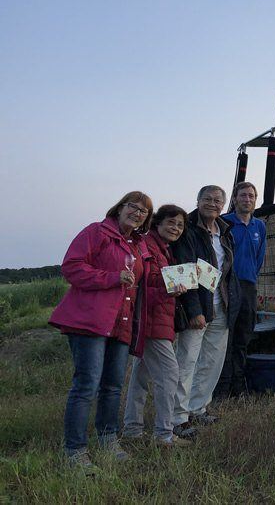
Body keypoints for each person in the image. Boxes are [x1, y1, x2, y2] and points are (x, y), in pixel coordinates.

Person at [49, 191, 153, 469]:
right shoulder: (96, 232)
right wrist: (111, 277)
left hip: (121, 324)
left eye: (144, 211)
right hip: (90, 321)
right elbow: (71, 267)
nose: (138, 213)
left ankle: (108, 441)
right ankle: (75, 451)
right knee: (87, 385)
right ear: (120, 208)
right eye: (133, 207)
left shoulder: (138, 245)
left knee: (113, 386)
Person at [172, 185, 240, 438]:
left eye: (217, 200)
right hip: (198, 305)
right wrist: (194, 310)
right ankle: (177, 417)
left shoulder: (224, 231)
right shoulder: (187, 230)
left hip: (221, 304)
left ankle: (198, 408)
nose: (213, 203)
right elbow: (186, 271)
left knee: (212, 360)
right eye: (207, 199)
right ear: (198, 200)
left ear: (223, 205)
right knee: (187, 361)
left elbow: (226, 271)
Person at [123, 204, 192, 448]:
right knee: (169, 374)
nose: (176, 228)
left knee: (141, 376)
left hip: (158, 318)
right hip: (151, 320)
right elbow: (146, 285)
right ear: (157, 223)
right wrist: (171, 286)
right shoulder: (148, 246)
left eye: (180, 225)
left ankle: (132, 428)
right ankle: (164, 435)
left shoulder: (162, 249)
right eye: (171, 223)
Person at [217, 182, 266, 398]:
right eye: (243, 195)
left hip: (248, 286)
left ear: (255, 200)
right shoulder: (224, 223)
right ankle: (222, 389)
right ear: (234, 199)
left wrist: (250, 278)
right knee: (224, 338)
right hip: (227, 285)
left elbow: (259, 258)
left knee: (243, 338)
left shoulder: (259, 226)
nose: (247, 199)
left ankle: (239, 388)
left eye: (251, 196)